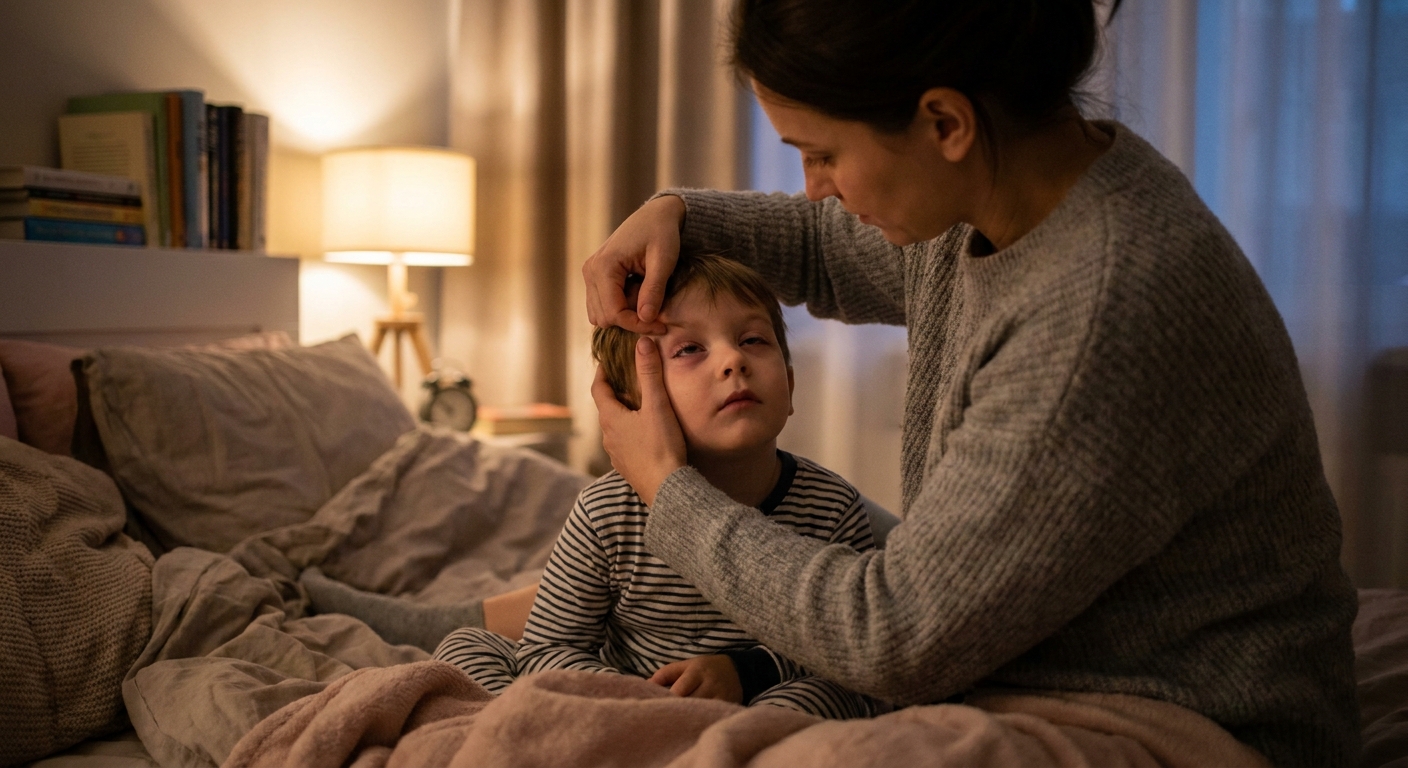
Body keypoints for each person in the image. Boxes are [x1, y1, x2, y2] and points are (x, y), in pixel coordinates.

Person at [580, 0, 1360, 765]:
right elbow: (821, 246)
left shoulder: (1099, 307)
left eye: (821, 154)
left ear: (945, 123)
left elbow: (891, 638)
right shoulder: (1001, 192)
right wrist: (676, 211)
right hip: (1027, 682)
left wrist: (668, 489)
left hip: (1177, 723)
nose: (815, 186)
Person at [433, 252, 884, 719]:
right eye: (690, 349)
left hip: (756, 703)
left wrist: (744, 673)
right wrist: (640, 700)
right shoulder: (607, 511)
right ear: (634, 407)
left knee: (830, 693)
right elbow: (546, 648)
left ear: (789, 385)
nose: (733, 360)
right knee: (465, 646)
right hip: (626, 704)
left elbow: (847, 643)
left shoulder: (832, 505)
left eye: (752, 339)